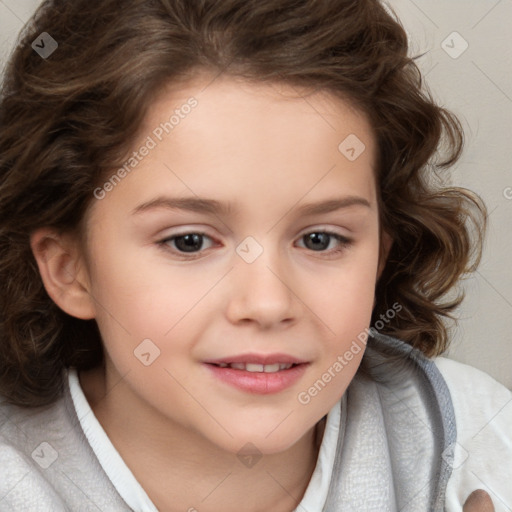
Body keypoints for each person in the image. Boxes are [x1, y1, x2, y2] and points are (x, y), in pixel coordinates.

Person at [0, 0, 509, 510]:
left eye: (320, 239)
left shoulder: (474, 441)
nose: (267, 303)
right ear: (71, 270)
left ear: (380, 256)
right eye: (189, 241)